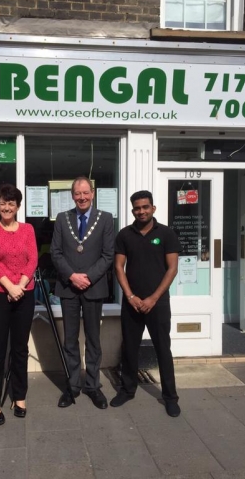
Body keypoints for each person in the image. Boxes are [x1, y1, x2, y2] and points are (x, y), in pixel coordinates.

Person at [110, 190, 182, 417]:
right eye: (137, 208)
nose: (141, 211)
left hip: (158, 303)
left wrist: (153, 298)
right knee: (130, 348)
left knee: (163, 349)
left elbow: (172, 269)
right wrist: (131, 296)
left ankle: (170, 396)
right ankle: (127, 390)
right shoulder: (124, 235)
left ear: (153, 208)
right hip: (132, 303)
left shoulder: (167, 234)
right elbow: (118, 267)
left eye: (145, 207)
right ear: (133, 210)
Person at [50, 176, 114, 409]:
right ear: (72, 195)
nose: (82, 197)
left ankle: (93, 386)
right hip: (68, 288)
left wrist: (87, 277)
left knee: (93, 340)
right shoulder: (62, 218)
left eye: (85, 193)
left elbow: (108, 255)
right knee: (70, 340)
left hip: (93, 287)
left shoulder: (105, 219)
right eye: (77, 193)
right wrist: (72, 276)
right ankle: (73, 385)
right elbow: (55, 253)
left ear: (93, 193)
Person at [0, 184, 38, 425]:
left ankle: (19, 395)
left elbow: (33, 259)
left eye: (11, 203)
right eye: (3, 203)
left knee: (20, 348)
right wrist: (10, 287)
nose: (7, 207)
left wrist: (21, 285)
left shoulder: (28, 229)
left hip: (25, 294)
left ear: (18, 206)